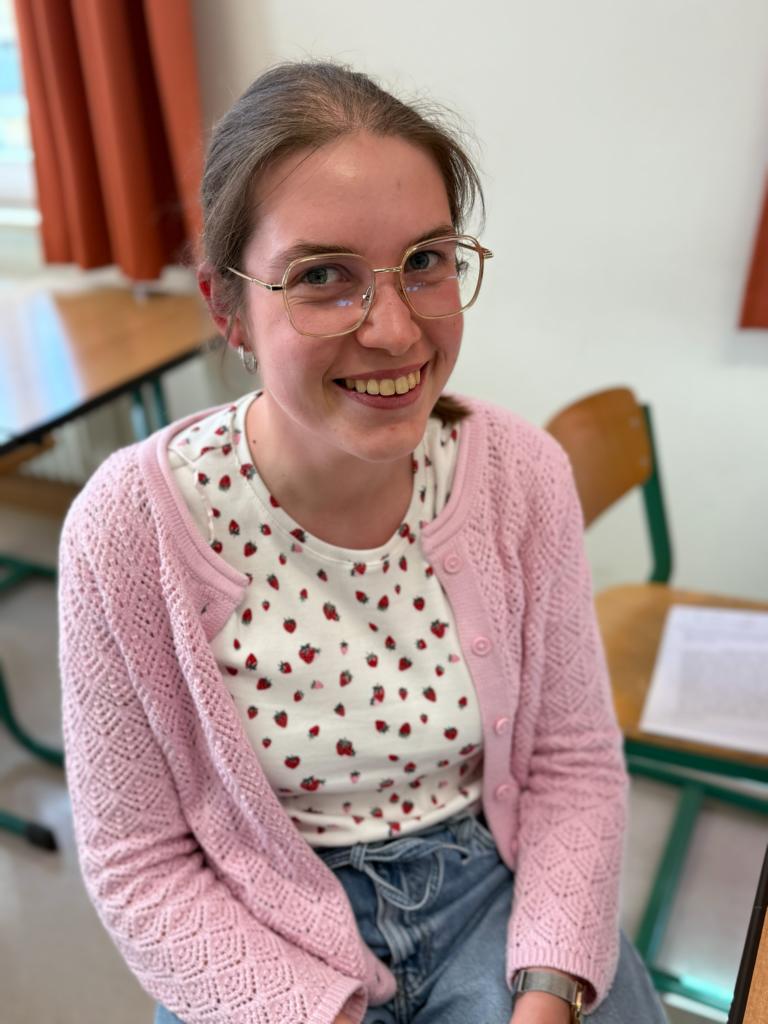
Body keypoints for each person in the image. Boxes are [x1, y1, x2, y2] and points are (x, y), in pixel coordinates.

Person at [58, 62, 667, 1024]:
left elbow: (574, 762)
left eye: (425, 260)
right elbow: (139, 862)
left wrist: (548, 991)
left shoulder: (520, 475)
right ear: (226, 306)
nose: (393, 329)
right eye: (321, 277)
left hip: (492, 889)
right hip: (260, 922)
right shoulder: (127, 530)